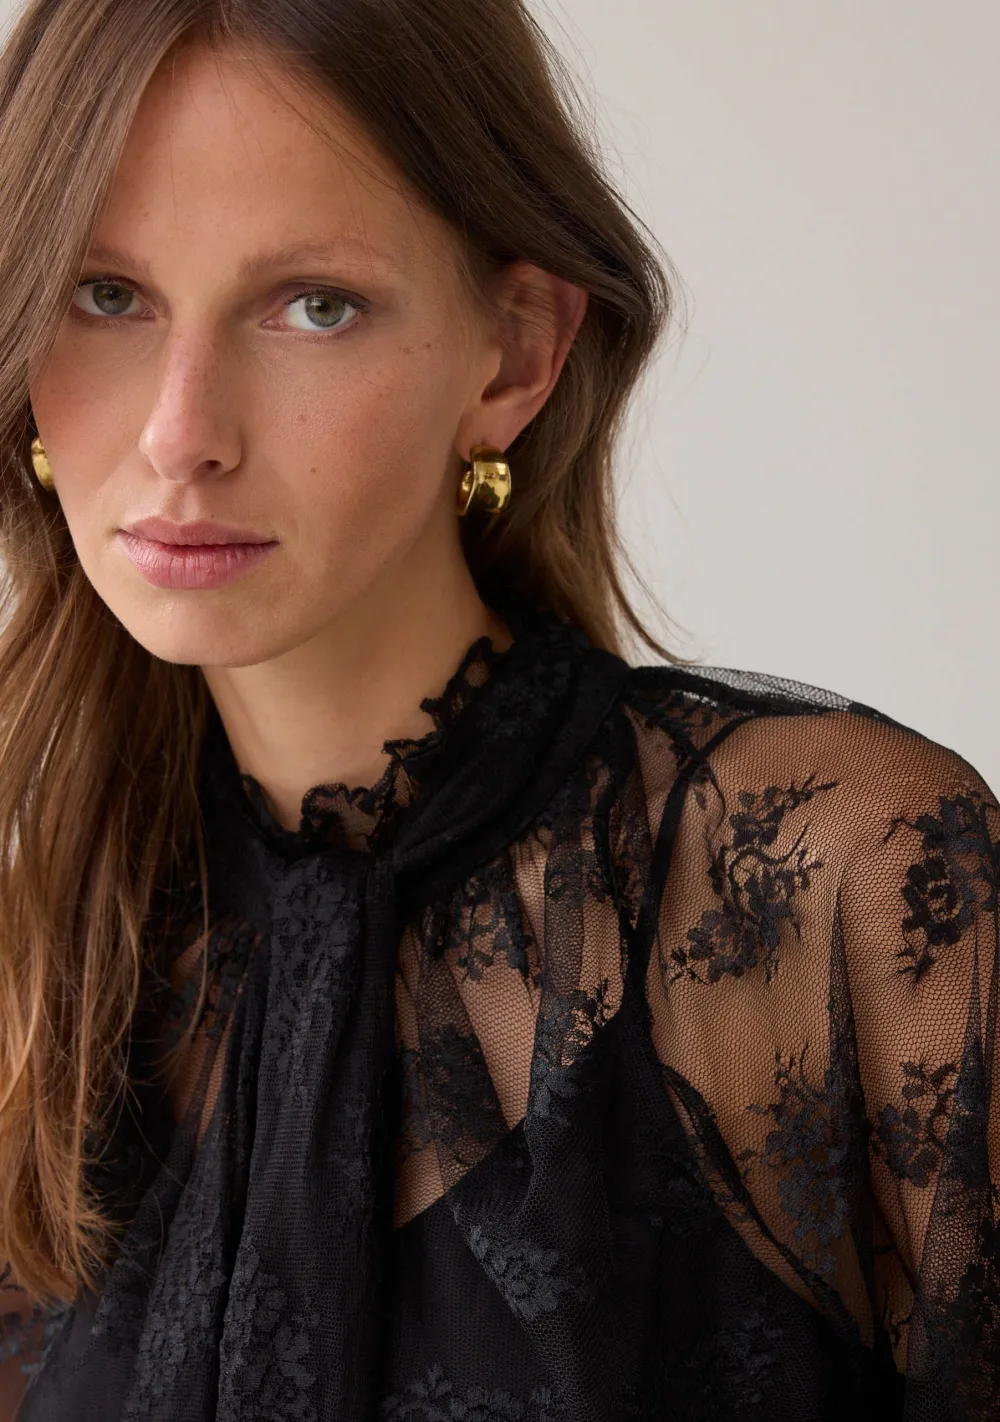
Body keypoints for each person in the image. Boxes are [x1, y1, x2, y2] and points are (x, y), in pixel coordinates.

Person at [0, 0, 996, 1417]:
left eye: (314, 304)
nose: (180, 434)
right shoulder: (40, 974)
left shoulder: (836, 887)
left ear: (516, 355)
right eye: (106, 295)